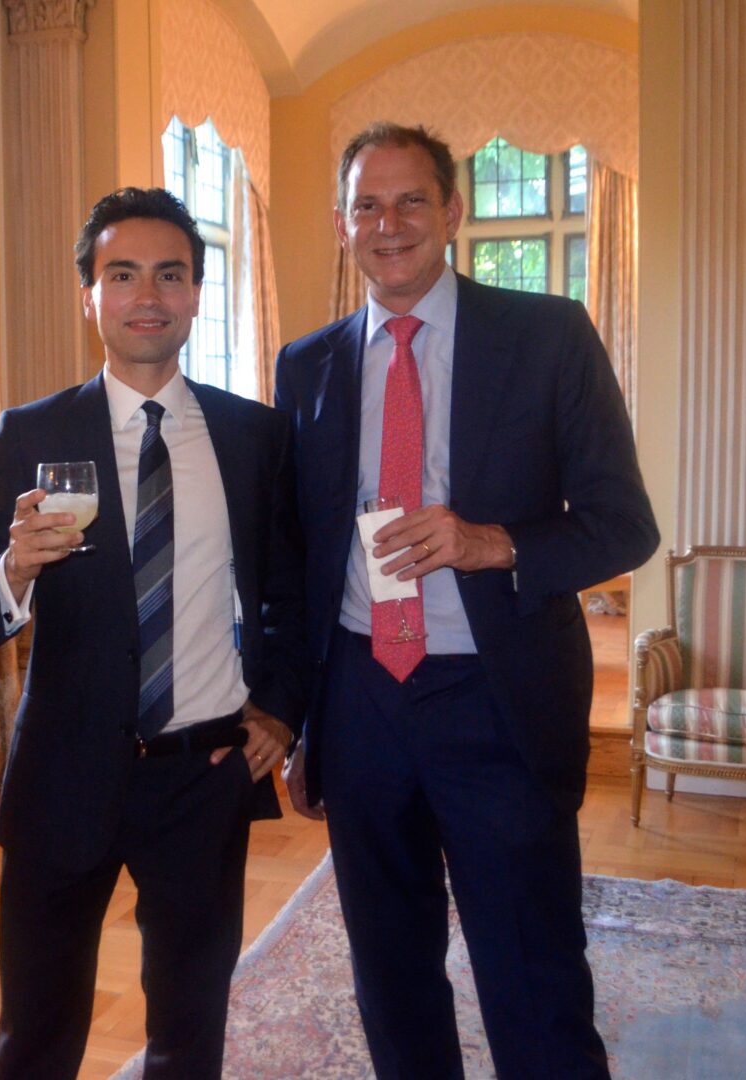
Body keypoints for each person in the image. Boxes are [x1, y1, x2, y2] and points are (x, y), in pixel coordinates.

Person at [273, 123, 659, 1078]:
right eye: (366, 205)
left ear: (452, 212)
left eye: (411, 200)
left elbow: (623, 526)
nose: (389, 223)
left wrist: (493, 543)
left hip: (496, 696)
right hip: (361, 696)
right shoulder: (306, 365)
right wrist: (297, 717)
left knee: (531, 973)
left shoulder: (547, 336)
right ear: (340, 226)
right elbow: (294, 556)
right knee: (389, 969)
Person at [0, 187, 306, 1079]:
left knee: (188, 1031)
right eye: (122, 274)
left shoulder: (252, 435)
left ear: (195, 295)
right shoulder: (33, 431)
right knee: (35, 1035)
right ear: (90, 296)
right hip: (62, 772)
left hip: (202, 776)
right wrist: (14, 568)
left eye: (169, 275)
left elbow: (288, 593)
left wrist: (278, 710)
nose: (147, 295)